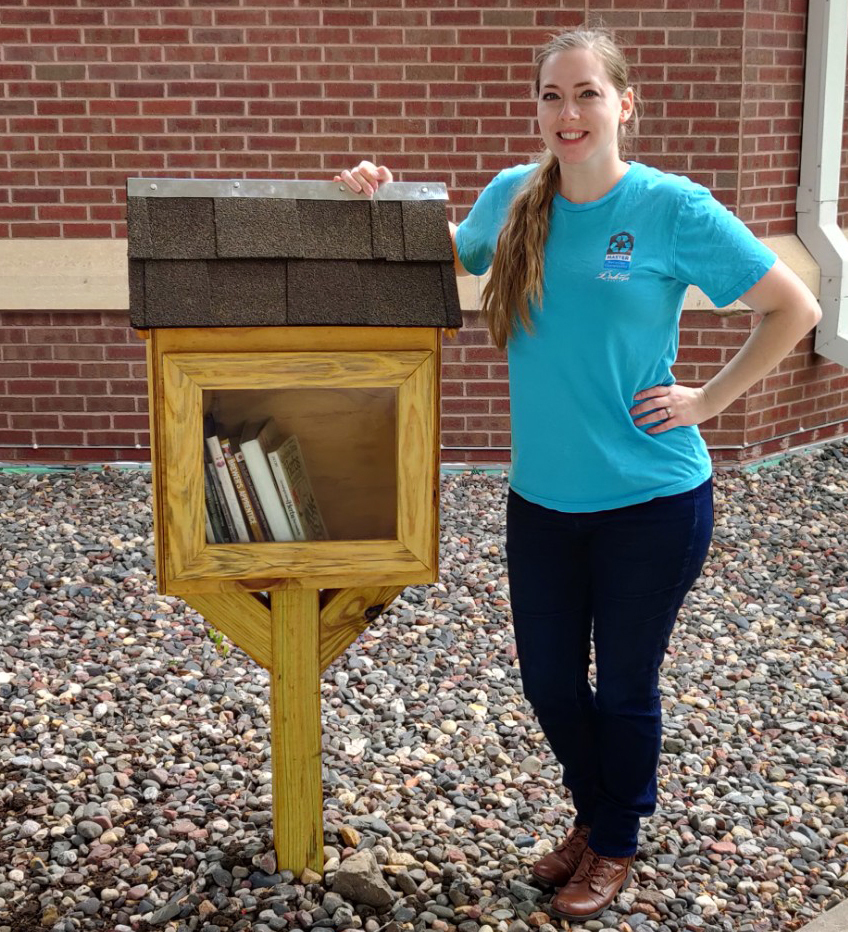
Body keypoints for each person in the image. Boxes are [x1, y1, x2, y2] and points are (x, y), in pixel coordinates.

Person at [335, 26, 821, 922]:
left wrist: (708, 400)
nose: (570, 113)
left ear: (624, 104)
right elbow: (452, 249)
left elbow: (794, 306)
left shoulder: (671, 208)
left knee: (626, 686)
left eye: (588, 94)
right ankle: (599, 822)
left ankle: (612, 843)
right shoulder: (516, 196)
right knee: (552, 683)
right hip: (543, 502)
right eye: (553, 96)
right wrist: (377, 196)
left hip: (654, 501)